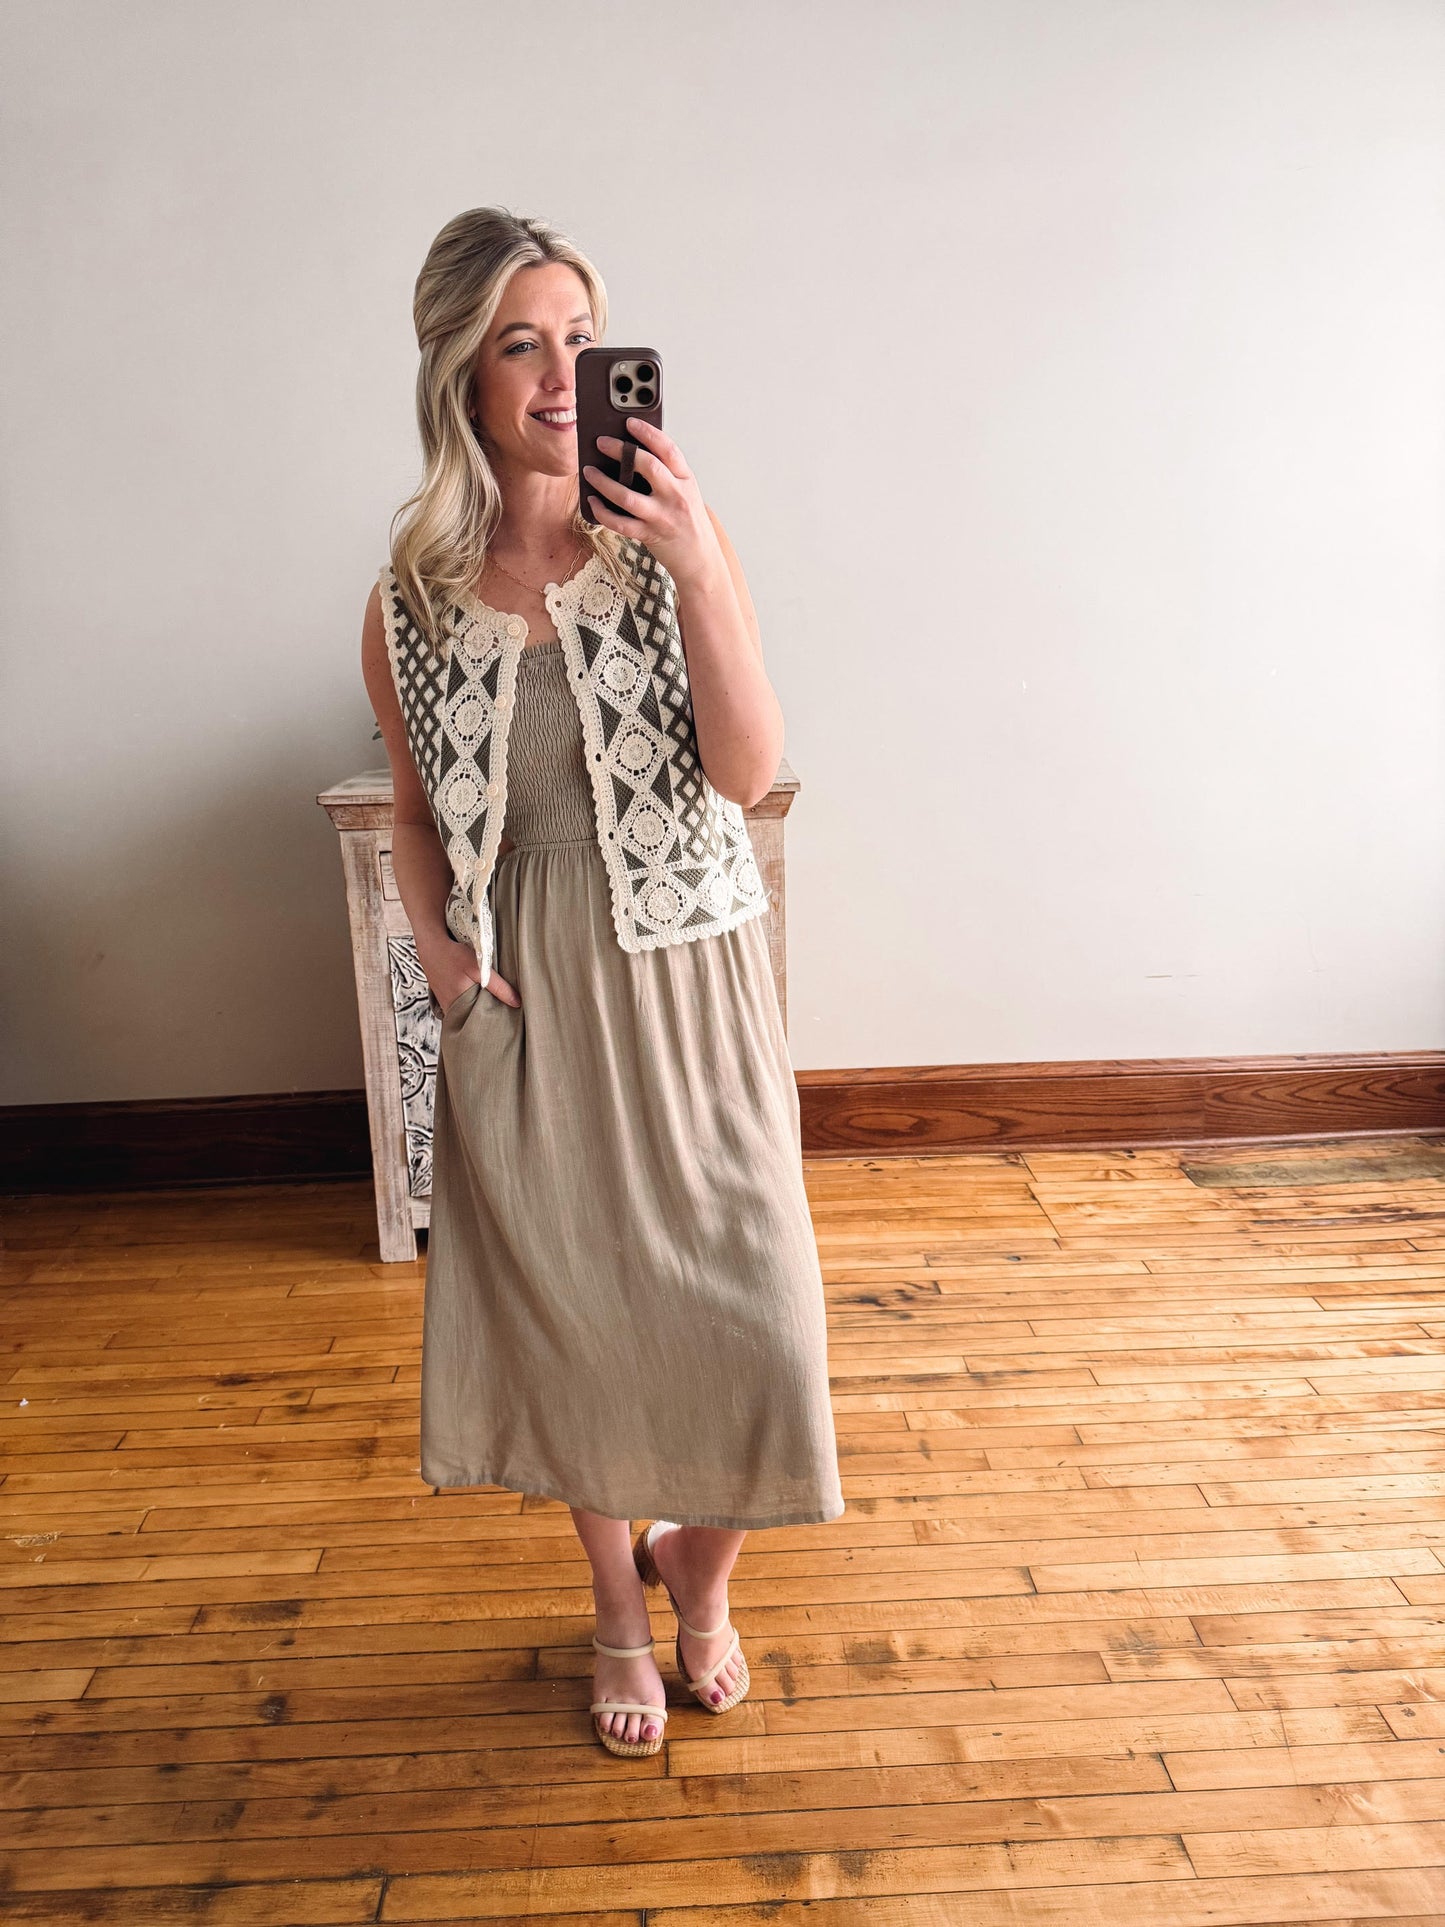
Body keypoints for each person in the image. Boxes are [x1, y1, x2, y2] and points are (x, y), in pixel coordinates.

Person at [360, 208, 843, 1760]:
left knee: (755, 1324)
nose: (562, 372)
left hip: (689, 977)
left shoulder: (671, 542)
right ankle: (622, 1613)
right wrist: (445, 970)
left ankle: (704, 1576)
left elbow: (750, 770)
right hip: (529, 1005)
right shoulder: (413, 601)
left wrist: (694, 556)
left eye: (580, 336)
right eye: (521, 342)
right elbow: (420, 823)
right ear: (465, 378)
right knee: (583, 1329)